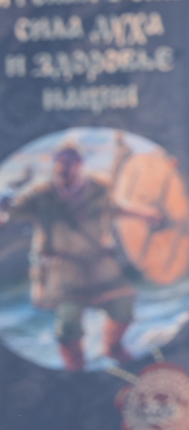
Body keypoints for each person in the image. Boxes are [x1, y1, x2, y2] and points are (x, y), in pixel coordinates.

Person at [0, 137, 143, 371]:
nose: (62, 168)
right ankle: (75, 368)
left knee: (124, 303)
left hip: (98, 263)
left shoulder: (98, 187)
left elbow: (115, 208)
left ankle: (113, 347)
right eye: (59, 163)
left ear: (79, 164)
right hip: (62, 268)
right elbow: (11, 214)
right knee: (69, 320)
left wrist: (146, 215)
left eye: (68, 163)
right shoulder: (41, 194)